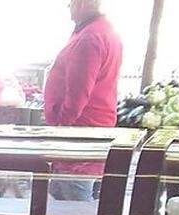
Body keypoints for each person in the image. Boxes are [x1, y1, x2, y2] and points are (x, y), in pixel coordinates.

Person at [44, 0, 122, 201]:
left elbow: (77, 96)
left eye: (70, 3)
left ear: (81, 3)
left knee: (76, 203)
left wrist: (60, 129)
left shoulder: (90, 37)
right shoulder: (103, 31)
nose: (69, 8)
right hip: (90, 132)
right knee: (62, 199)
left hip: (79, 138)